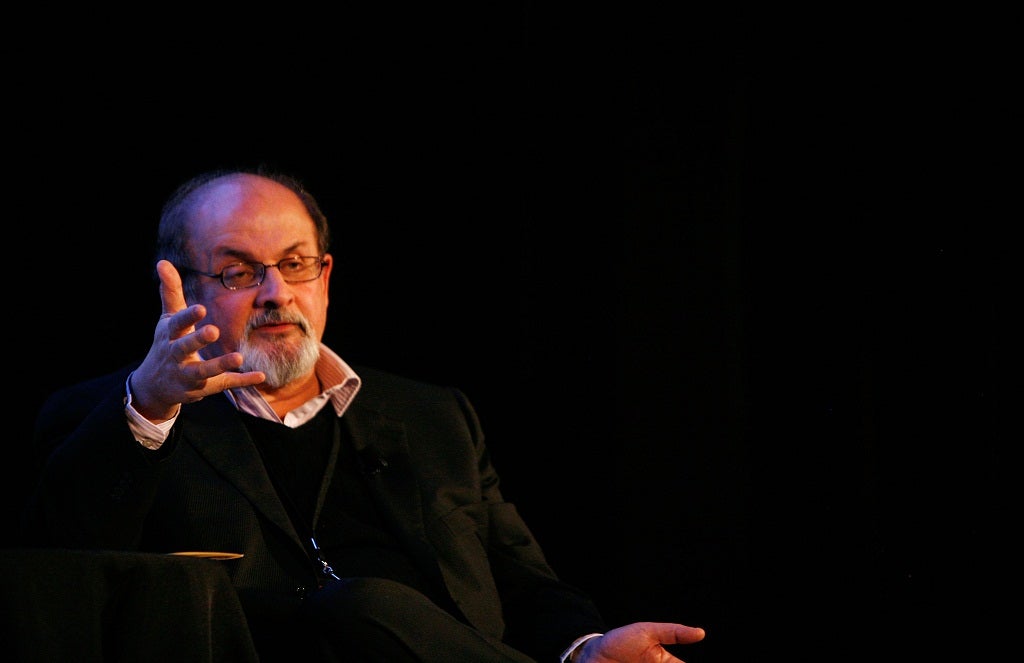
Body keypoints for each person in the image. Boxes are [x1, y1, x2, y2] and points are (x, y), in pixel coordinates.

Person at [23, 167, 706, 662]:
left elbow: (524, 584)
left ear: (324, 277)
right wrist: (153, 402)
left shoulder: (433, 416)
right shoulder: (115, 413)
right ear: (177, 283)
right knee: (360, 605)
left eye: (294, 265)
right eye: (238, 271)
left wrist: (585, 650)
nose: (274, 293)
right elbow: (65, 579)